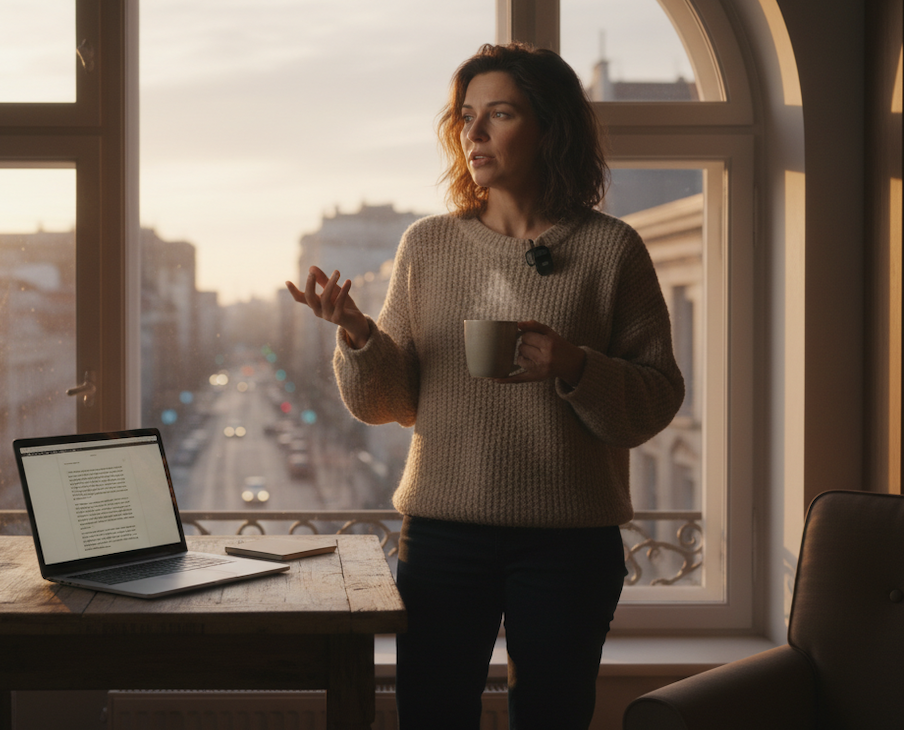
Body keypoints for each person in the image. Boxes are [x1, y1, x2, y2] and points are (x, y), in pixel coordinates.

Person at [285, 42, 684, 729]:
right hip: (443, 536)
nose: (472, 134)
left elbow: (654, 400)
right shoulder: (427, 246)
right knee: (433, 716)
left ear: (550, 128)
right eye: (465, 117)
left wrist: (574, 366)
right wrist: (356, 334)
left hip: (570, 541)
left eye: (497, 114)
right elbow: (390, 403)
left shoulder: (612, 249)